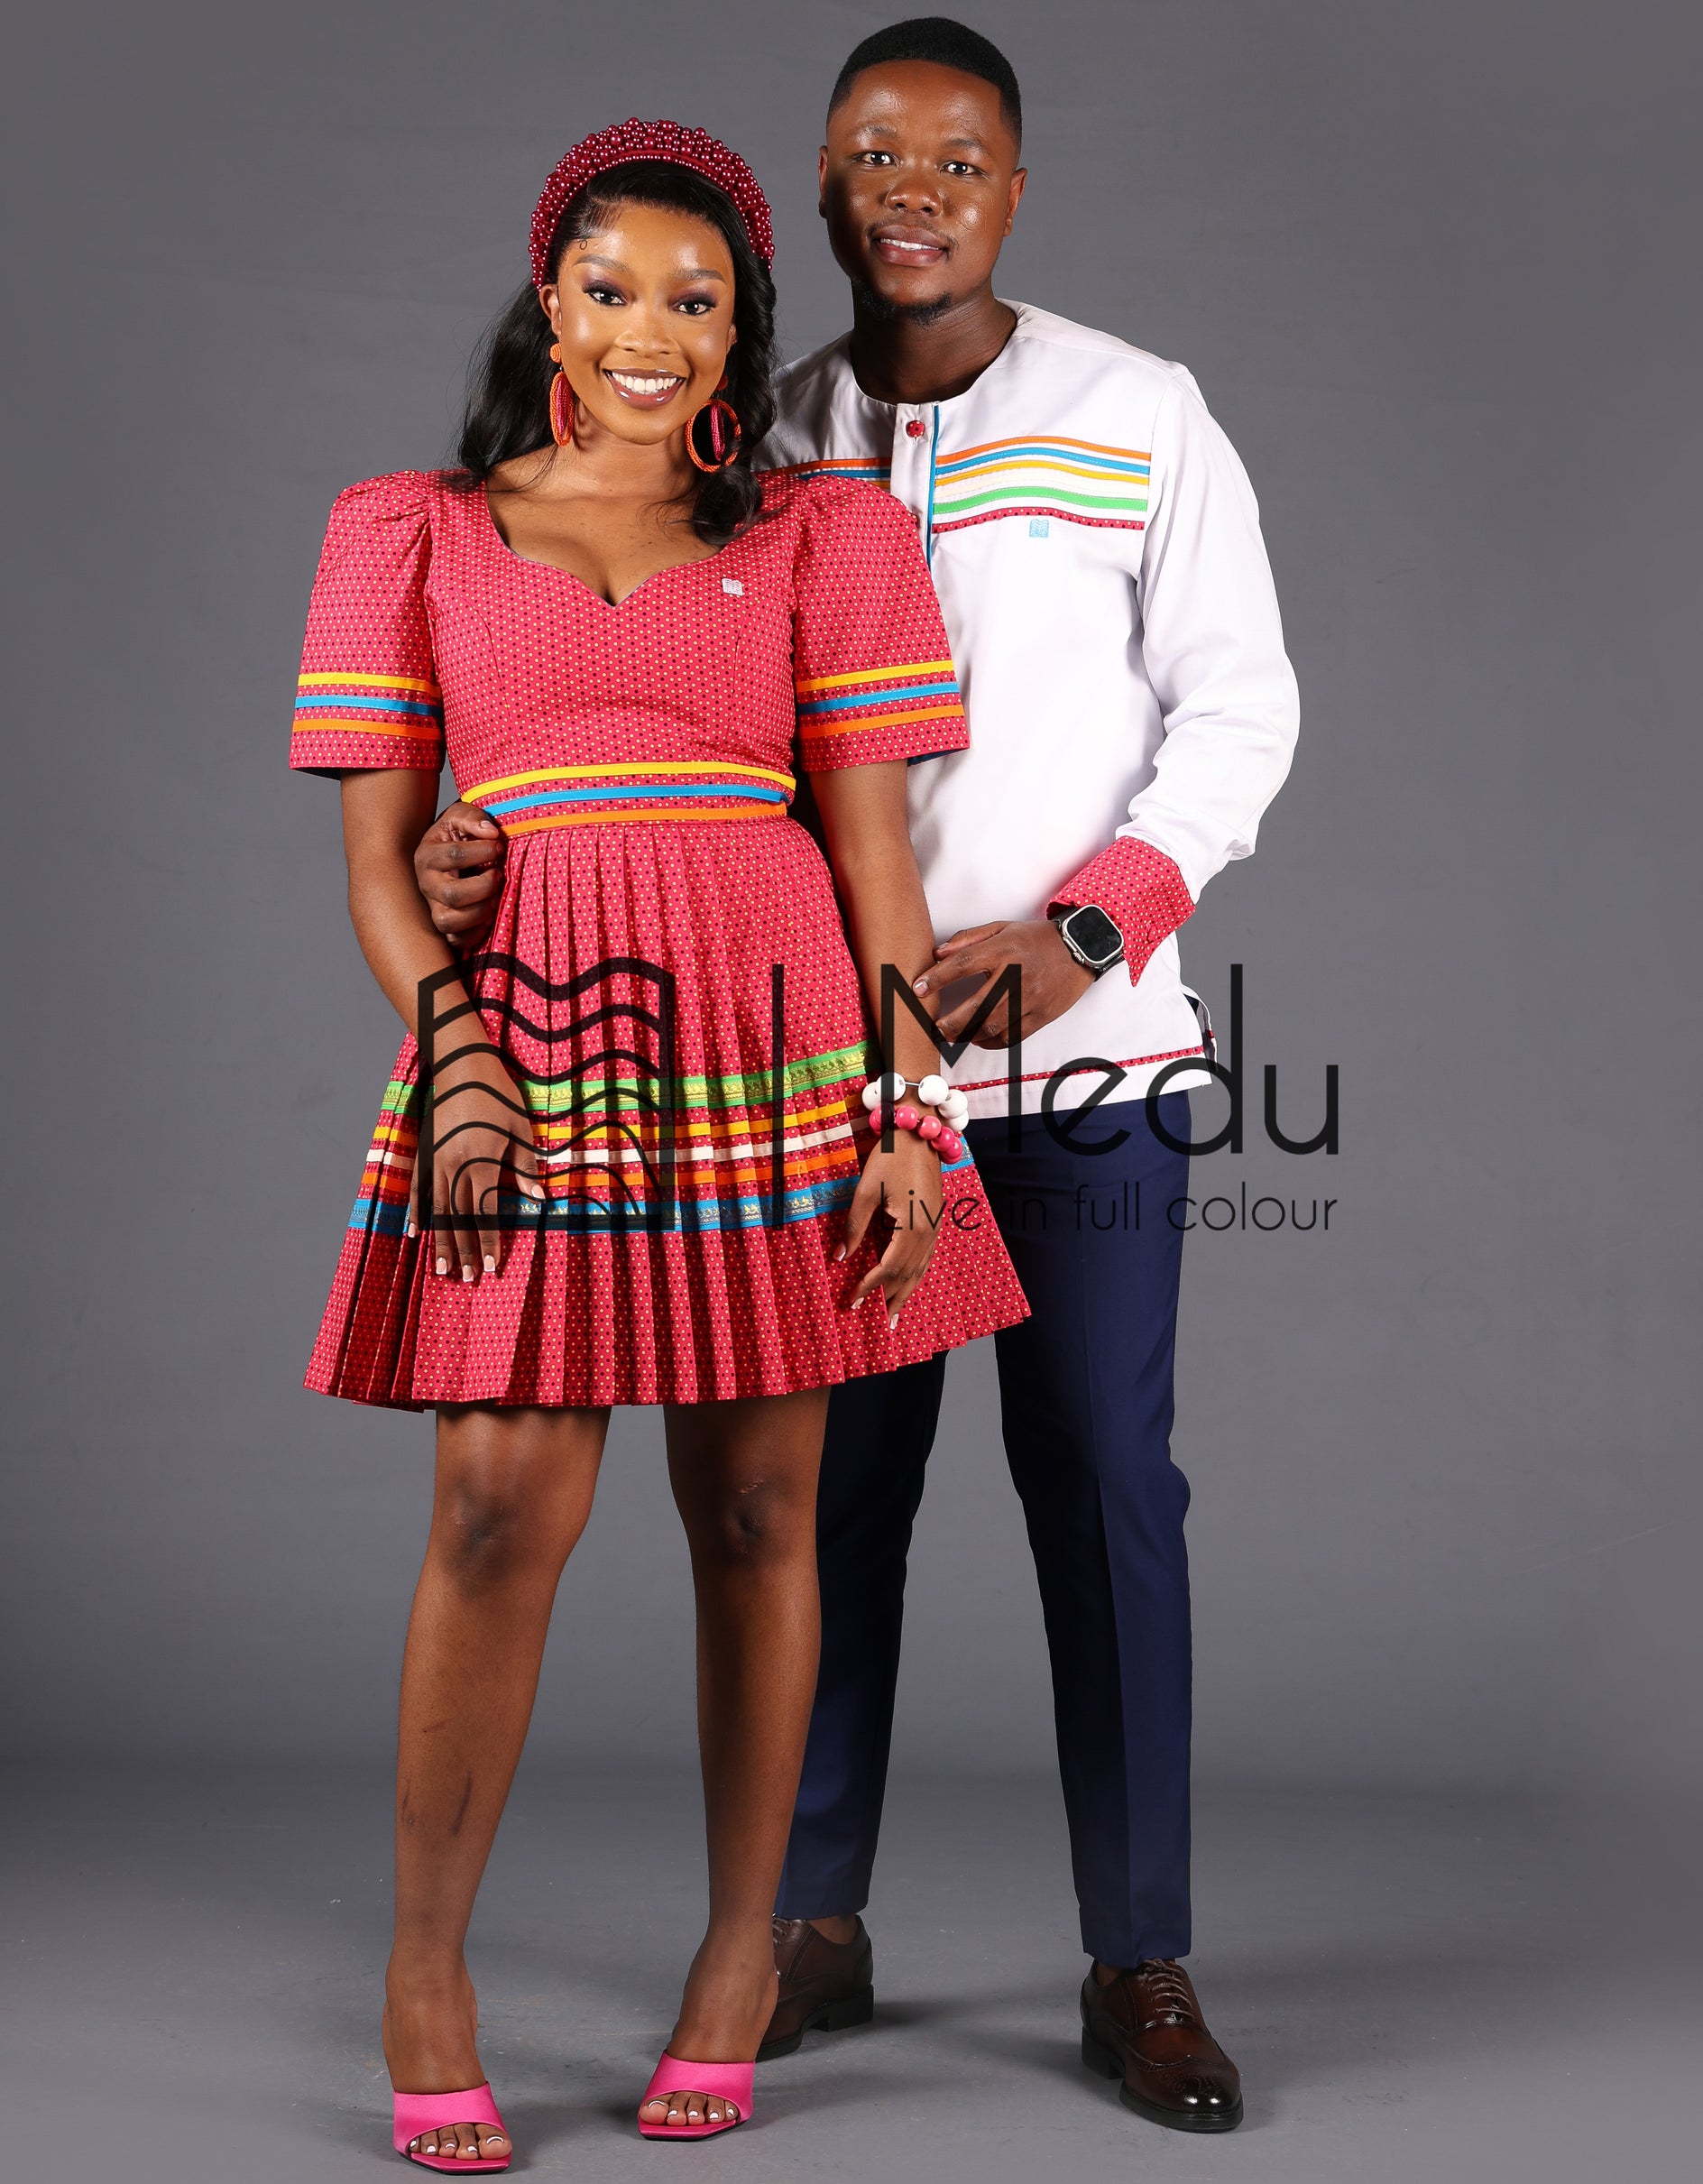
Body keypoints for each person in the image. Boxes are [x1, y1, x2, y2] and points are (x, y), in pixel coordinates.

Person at [415, 19, 1298, 2136]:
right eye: (875, 157)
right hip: (802, 1069)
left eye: (958, 158)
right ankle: (807, 1917)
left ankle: (1139, 1952)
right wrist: (475, 846)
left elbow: (1243, 711)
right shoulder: (746, 420)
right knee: (815, 1499)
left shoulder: (1138, 410)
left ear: (1014, 188)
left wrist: (1085, 930)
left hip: (1082, 1060)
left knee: (1106, 1481)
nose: (915, 190)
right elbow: (635, 723)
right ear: (813, 187)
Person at [290, 118, 1026, 2166]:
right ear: (551, 303)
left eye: (692, 300)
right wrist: (452, 1049)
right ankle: (424, 1968)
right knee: (492, 1508)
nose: (646, 328)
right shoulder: (408, 531)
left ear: (737, 332)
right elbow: (378, 869)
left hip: (772, 1042)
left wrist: (908, 1108)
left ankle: (733, 1957)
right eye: (610, 287)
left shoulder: (826, 539)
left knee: (763, 1512)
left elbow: (877, 863)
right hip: (526, 1052)